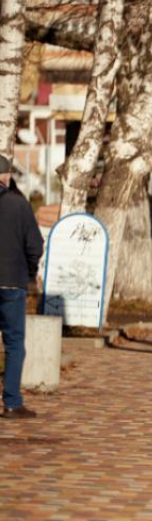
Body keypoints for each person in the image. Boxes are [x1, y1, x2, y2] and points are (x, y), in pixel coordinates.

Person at [0, 155, 44, 419]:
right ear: (6, 177)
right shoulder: (19, 205)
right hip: (11, 282)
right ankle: (12, 402)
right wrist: (27, 272)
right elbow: (35, 246)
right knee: (15, 343)